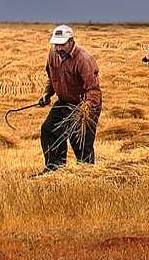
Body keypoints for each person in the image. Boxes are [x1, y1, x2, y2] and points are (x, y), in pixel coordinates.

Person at [34, 25, 103, 176]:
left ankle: (86, 173)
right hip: (64, 101)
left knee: (80, 140)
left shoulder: (84, 59)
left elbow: (93, 90)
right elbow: (52, 77)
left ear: (71, 41)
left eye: (62, 44)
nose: (58, 48)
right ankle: (55, 169)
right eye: (56, 44)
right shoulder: (52, 54)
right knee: (49, 130)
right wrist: (47, 94)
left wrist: (86, 108)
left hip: (85, 105)